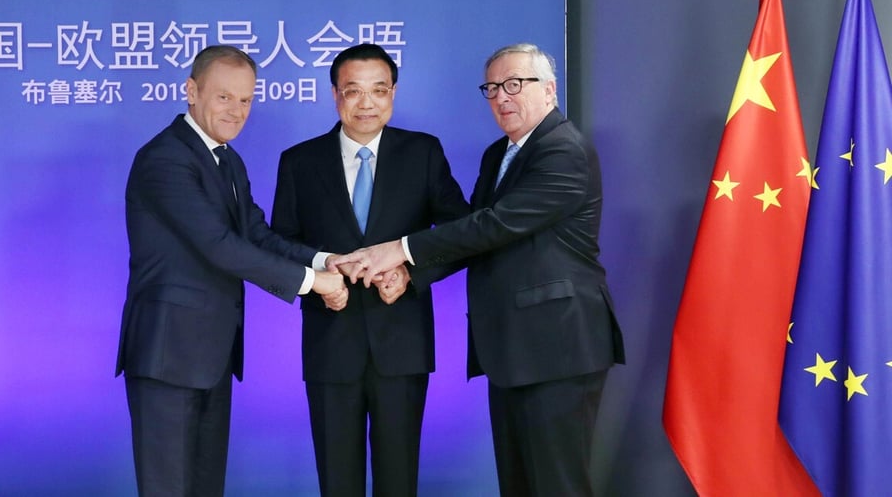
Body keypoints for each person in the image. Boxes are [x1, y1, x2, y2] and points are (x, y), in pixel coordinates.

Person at [332, 43, 625, 496]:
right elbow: (477, 236)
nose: (502, 97)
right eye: (492, 88)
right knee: (520, 484)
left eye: (514, 85)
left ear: (549, 90)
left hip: (558, 346)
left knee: (558, 486)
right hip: (513, 350)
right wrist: (412, 274)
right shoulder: (500, 153)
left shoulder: (563, 150)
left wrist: (400, 250)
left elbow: (496, 224)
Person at [115, 45, 348, 497]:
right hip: (168, 355)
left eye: (245, 100)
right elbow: (219, 246)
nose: (237, 111)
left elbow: (255, 233)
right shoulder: (165, 159)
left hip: (210, 355)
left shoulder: (226, 159)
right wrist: (312, 284)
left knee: (205, 486)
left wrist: (323, 261)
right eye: (224, 97)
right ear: (191, 91)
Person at [271, 43, 470, 497]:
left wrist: (411, 274)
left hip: (401, 344)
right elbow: (279, 243)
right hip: (329, 344)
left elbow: (463, 232)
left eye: (378, 90)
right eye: (353, 91)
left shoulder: (422, 153)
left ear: (393, 94)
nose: (366, 103)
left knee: (398, 480)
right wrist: (321, 276)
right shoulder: (299, 161)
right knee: (337, 482)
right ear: (335, 96)